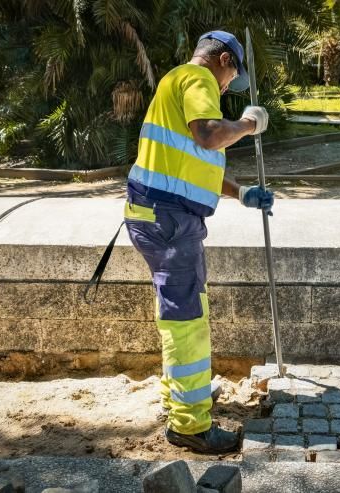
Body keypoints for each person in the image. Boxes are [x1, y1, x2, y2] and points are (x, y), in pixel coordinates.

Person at [124, 30, 274, 454]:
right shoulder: (198, 78)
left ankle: (180, 397)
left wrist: (241, 192)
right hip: (169, 220)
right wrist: (249, 124)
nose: (227, 88)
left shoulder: (176, 82)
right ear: (223, 60)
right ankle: (189, 424)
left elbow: (193, 162)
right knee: (187, 320)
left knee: (181, 312)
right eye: (232, 77)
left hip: (161, 215)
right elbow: (209, 134)